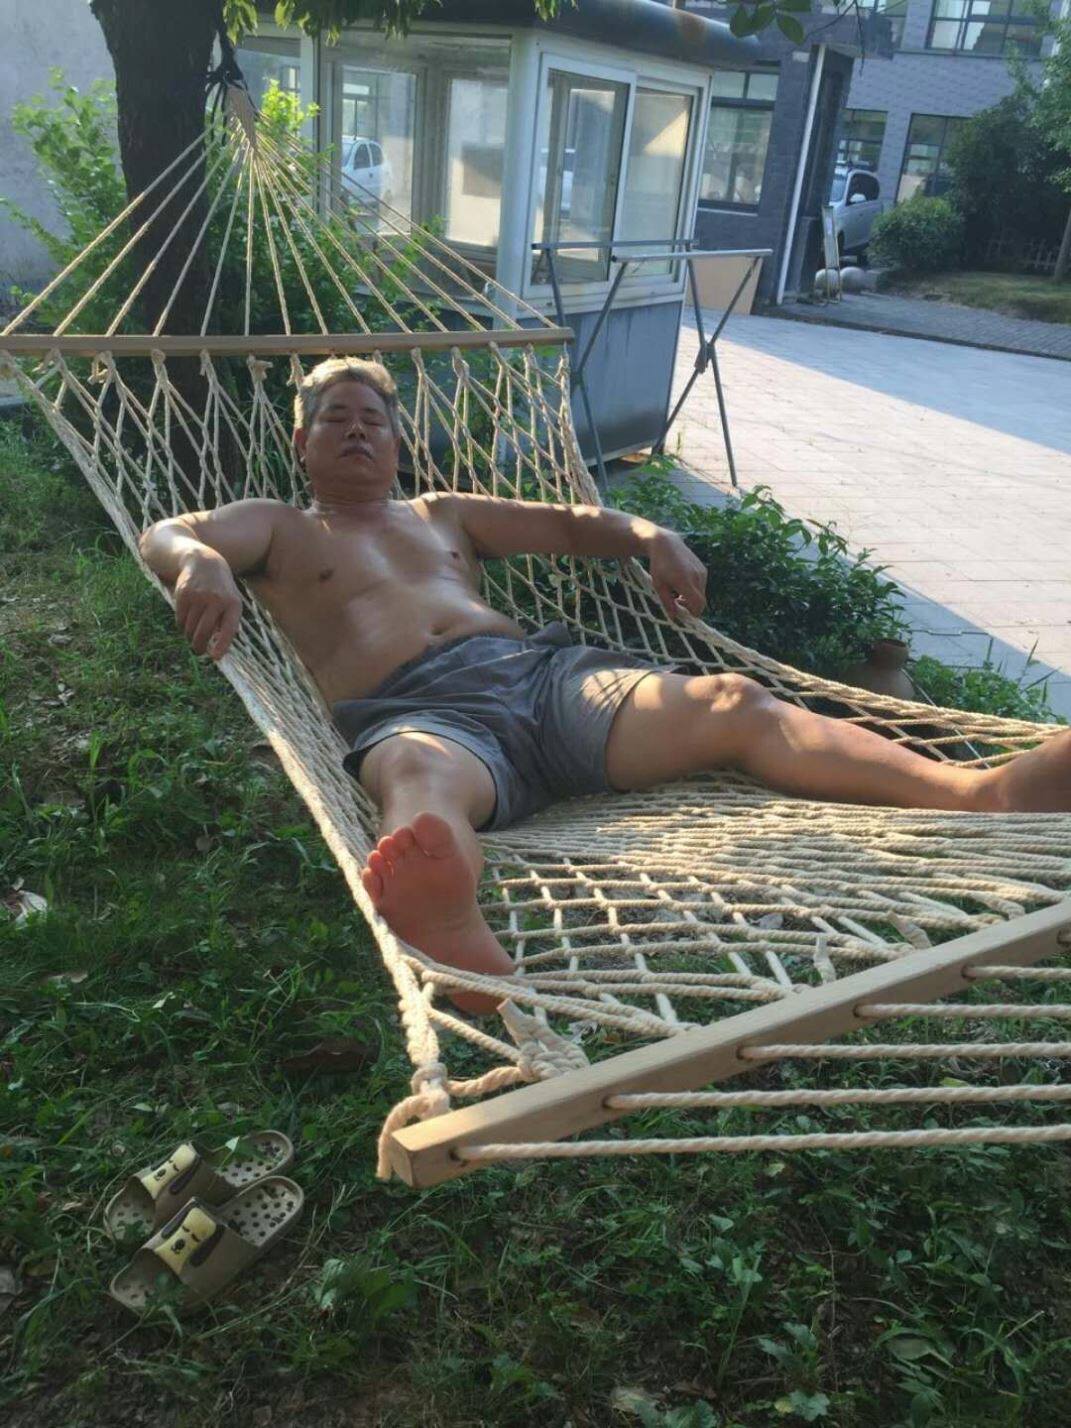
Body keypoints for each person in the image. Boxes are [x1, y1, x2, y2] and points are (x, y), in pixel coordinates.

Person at [139, 358, 1071, 1014]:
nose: (355, 430)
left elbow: (569, 523)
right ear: (301, 441)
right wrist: (198, 561)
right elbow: (167, 532)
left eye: (372, 419)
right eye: (335, 418)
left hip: (548, 682)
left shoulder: (440, 514)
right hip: (423, 714)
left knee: (733, 701)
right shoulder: (279, 526)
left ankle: (977, 795)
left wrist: (650, 533)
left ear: (396, 441)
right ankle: (445, 913)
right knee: (416, 777)